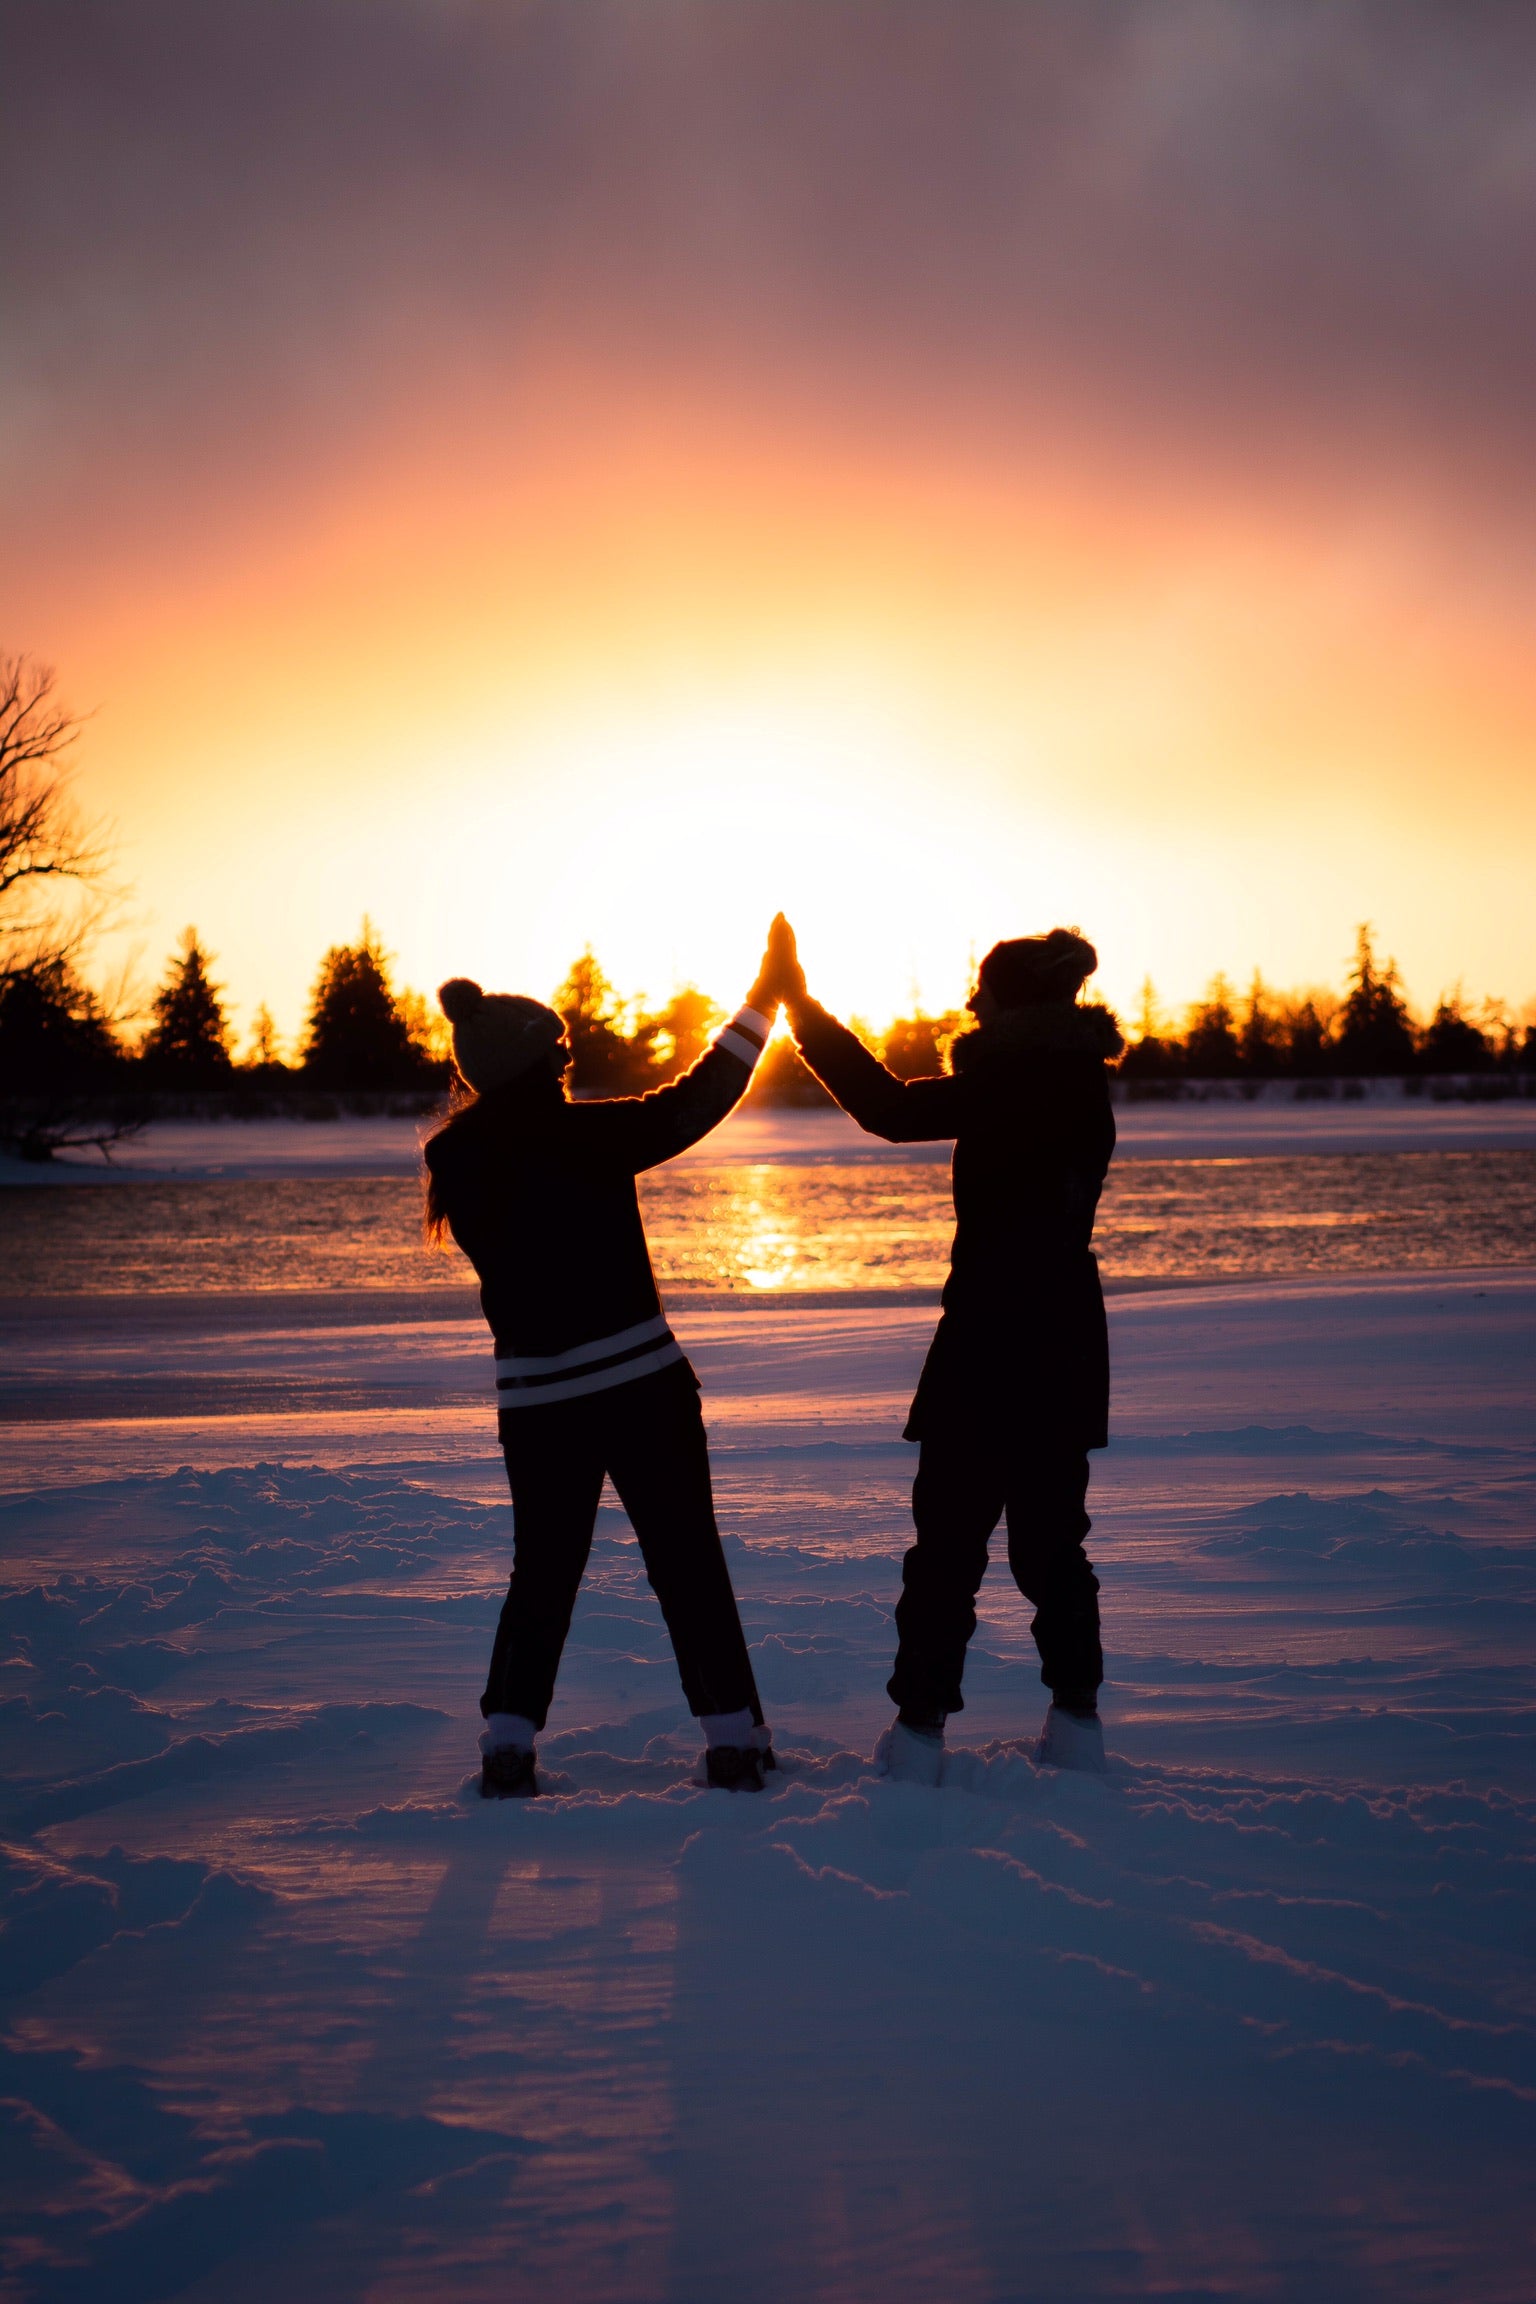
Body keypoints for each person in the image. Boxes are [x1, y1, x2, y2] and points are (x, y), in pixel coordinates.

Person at [424, 920, 795, 1797]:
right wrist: (763, 1002)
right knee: (687, 1562)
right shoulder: (583, 1137)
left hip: (536, 1402)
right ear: (535, 1067)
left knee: (542, 1573)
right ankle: (735, 1742)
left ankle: (507, 1746)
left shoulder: (460, 1162)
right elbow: (698, 1099)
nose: (567, 1066)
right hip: (640, 1389)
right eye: (558, 1057)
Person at [779, 923, 1124, 1779]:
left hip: (990, 1345)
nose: (972, 1001)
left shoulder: (1015, 1083)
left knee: (948, 1551)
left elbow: (888, 1109)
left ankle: (921, 1734)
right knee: (1050, 1548)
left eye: (984, 989)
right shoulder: (1080, 1079)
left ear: (1011, 1000)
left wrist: (799, 1006)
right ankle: (1077, 1727)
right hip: (1066, 1344)